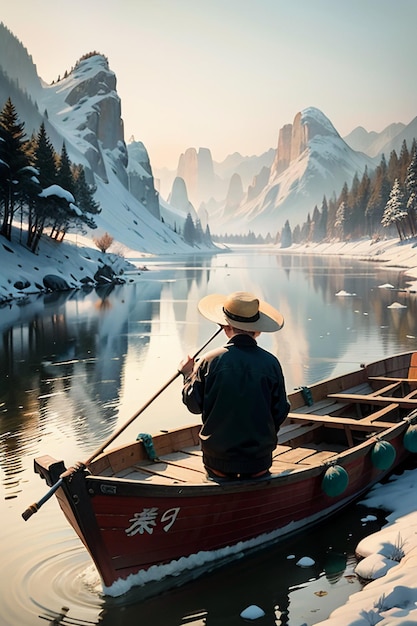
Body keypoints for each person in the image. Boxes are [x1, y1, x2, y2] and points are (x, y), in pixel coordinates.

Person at [179, 291, 290, 481]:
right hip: (258, 460)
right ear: (258, 330)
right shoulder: (271, 363)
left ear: (225, 327)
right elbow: (280, 411)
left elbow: (194, 406)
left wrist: (188, 374)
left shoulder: (208, 361)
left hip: (218, 459)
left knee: (217, 475)